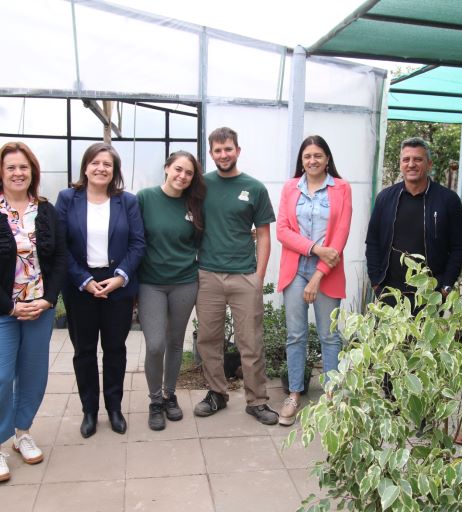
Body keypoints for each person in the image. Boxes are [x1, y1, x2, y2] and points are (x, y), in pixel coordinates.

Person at [0, 141, 66, 483]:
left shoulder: (46, 211)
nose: (18, 173)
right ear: (1, 173)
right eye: (11, 167)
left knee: (34, 375)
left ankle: (23, 432)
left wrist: (49, 299)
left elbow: (60, 259)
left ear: (32, 172)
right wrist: (9, 305)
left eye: (24, 167)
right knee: (0, 378)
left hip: (39, 308)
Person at [55, 143, 145, 438]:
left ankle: (115, 408)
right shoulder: (67, 199)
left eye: (107, 164)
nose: (101, 168)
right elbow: (60, 245)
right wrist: (82, 279)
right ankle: (89, 411)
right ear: (85, 167)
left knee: (115, 350)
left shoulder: (127, 202)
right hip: (80, 287)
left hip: (117, 286)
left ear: (114, 171)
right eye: (95, 163)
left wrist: (121, 277)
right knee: (84, 351)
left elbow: (137, 244)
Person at [192, 127, 278, 425]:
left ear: (237, 150)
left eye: (228, 149)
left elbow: (265, 235)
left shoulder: (254, 188)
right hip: (208, 275)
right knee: (208, 339)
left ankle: (257, 401)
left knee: (250, 342)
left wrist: (259, 276)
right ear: (211, 153)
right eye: (217, 150)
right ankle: (217, 393)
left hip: (244, 276)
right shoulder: (201, 185)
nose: (223, 154)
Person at [275, 135, 352, 426]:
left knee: (329, 336)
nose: (312, 160)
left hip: (327, 271)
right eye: (307, 156)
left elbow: (340, 234)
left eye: (318, 155)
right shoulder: (289, 188)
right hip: (295, 268)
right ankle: (294, 393)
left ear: (327, 158)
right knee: (295, 335)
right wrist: (315, 248)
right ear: (302, 160)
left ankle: (332, 396)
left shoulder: (342, 188)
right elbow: (282, 231)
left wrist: (318, 274)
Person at [137, 151, 206, 431]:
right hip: (150, 283)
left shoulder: (195, 205)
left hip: (184, 282)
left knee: (175, 342)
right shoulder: (145, 198)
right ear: (167, 168)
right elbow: (133, 237)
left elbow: (200, 241)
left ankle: (169, 395)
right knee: (155, 345)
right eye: (178, 169)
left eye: (188, 173)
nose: (182, 176)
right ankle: (154, 400)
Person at [365, 137, 462, 306]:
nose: (411, 164)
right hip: (390, 293)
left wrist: (446, 285)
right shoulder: (385, 198)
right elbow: (373, 242)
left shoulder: (448, 200)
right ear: (400, 164)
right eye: (406, 159)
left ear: (429, 164)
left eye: (418, 159)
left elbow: (458, 247)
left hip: (431, 293)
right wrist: (376, 282)